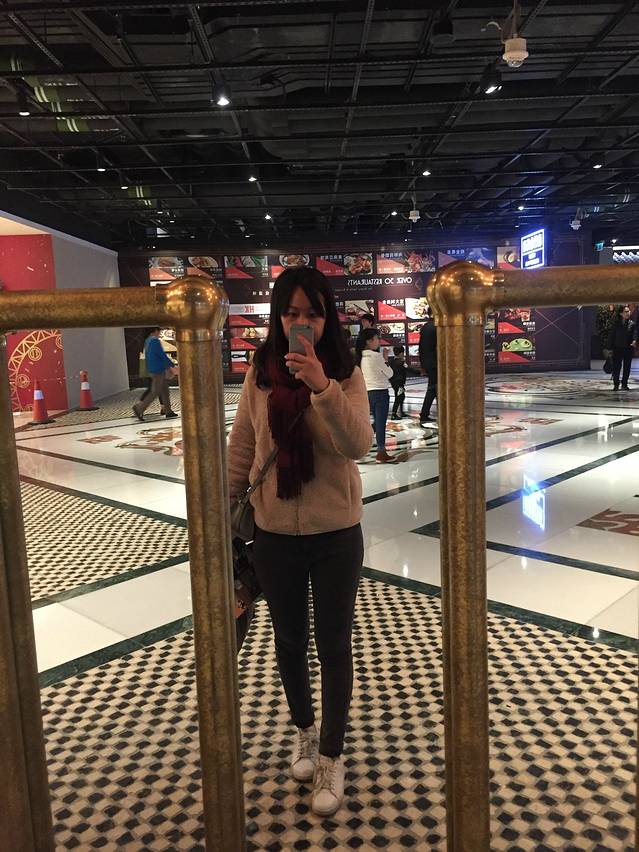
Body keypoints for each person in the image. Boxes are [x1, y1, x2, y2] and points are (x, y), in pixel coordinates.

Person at [227, 266, 371, 818]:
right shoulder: (260, 373)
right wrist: (226, 513)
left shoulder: (346, 372)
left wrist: (321, 387)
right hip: (274, 533)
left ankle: (332, 754)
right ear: (277, 317)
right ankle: (305, 733)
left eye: (312, 312)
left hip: (336, 533)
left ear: (328, 316)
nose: (301, 322)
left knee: (333, 644)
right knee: (289, 641)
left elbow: (358, 444)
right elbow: (244, 445)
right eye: (291, 313)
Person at [356, 328, 395, 463]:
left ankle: (360, 443)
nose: (379, 341)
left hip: (368, 392)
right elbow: (390, 374)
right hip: (380, 392)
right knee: (380, 423)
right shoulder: (376, 356)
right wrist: (385, 359)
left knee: (375, 422)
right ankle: (381, 452)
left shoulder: (361, 357)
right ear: (369, 341)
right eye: (377, 338)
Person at [132, 328, 179, 421]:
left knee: (165, 390)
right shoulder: (154, 341)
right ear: (155, 331)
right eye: (159, 331)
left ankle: (168, 411)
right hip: (158, 369)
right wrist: (172, 365)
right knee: (155, 391)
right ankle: (139, 408)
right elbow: (161, 355)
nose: (160, 333)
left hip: (154, 368)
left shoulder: (148, 341)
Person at [606, 305, 637, 391]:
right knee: (617, 367)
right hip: (617, 348)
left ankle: (624, 384)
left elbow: (635, 334)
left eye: (629, 311)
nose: (628, 313)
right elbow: (612, 336)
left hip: (628, 348)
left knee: (627, 367)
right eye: (626, 312)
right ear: (621, 313)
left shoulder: (632, 324)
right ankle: (616, 384)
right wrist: (609, 348)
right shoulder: (616, 324)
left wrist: (634, 341)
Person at [419, 308, 437, 426]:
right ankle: (424, 414)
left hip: (429, 363)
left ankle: (424, 414)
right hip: (436, 363)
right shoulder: (436, 326)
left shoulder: (425, 327)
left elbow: (421, 347)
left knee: (433, 388)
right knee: (433, 389)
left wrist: (423, 364)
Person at [388, 345, 407, 420]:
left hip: (394, 383)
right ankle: (394, 414)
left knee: (401, 396)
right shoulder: (401, 362)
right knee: (399, 397)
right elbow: (409, 369)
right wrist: (420, 372)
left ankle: (401, 412)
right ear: (401, 353)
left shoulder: (391, 361)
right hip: (399, 383)